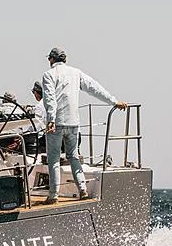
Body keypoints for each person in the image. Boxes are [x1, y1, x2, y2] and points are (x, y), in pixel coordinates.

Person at [41, 47, 128, 203]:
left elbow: (50, 100)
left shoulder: (48, 75)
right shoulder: (76, 73)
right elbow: (95, 88)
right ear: (65, 60)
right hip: (74, 122)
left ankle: (53, 195)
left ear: (52, 59)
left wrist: (51, 120)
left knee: (53, 159)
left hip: (57, 123)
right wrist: (114, 101)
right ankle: (82, 190)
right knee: (73, 157)